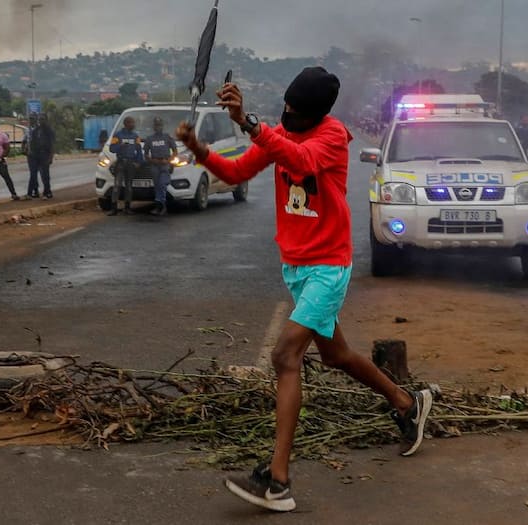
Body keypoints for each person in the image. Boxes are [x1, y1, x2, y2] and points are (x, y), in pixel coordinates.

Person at [175, 66, 433, 513]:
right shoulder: (280, 133)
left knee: (284, 356)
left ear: (314, 112)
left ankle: (277, 481)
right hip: (295, 268)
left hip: (328, 267)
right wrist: (200, 150)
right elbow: (237, 173)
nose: (287, 115)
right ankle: (407, 402)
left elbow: (302, 161)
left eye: (295, 111)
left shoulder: (331, 137)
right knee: (336, 355)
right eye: (284, 109)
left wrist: (249, 123)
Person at [107, 116, 143, 215]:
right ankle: (114, 208)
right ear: (126, 124)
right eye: (131, 123)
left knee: (129, 187)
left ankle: (127, 208)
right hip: (120, 163)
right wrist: (120, 146)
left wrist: (139, 162)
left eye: (133, 123)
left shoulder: (135, 136)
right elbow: (111, 149)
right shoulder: (118, 135)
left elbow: (139, 151)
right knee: (117, 185)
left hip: (131, 163)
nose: (133, 125)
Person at [144, 117, 178, 216]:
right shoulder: (149, 139)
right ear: (153, 127)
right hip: (155, 165)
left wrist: (168, 160)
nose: (158, 127)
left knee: (163, 184)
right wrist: (151, 160)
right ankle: (159, 206)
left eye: (159, 125)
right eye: (156, 125)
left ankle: (162, 206)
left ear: (162, 126)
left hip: (165, 164)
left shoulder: (167, 137)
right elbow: (145, 154)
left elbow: (175, 151)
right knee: (157, 186)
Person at [25, 112, 56, 200]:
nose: (41, 121)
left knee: (45, 175)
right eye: (39, 119)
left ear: (46, 120)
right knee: (33, 174)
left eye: (42, 119)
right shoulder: (36, 130)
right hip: (35, 155)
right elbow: (32, 142)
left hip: (45, 154)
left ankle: (47, 192)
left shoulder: (49, 131)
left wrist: (51, 156)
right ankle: (30, 193)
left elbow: (52, 144)